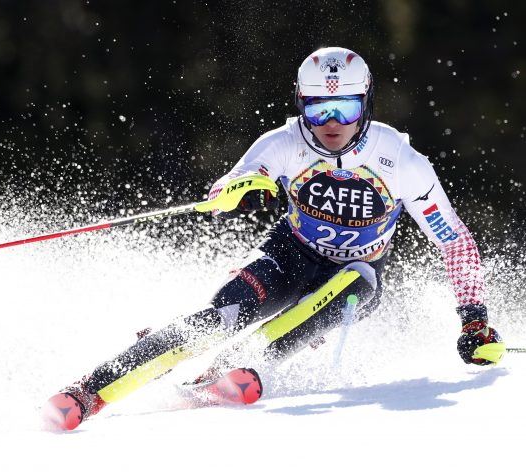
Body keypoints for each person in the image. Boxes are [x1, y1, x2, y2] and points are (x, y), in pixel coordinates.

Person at [43, 46, 502, 432]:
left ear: (368, 103)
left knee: (358, 279)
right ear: (301, 103)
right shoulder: (286, 141)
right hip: (288, 255)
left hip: (352, 277)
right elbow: (232, 183)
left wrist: (473, 320)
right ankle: (89, 390)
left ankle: (243, 363)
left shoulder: (401, 161)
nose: (331, 122)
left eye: (346, 107)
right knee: (216, 318)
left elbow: (454, 240)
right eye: (318, 108)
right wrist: (236, 189)